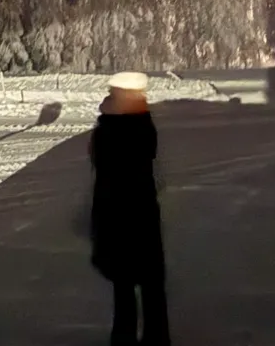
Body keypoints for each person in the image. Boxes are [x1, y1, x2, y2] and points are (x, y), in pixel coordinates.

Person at [89, 71, 170, 346]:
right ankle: (155, 339)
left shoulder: (114, 127)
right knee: (150, 285)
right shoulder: (142, 124)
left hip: (118, 213)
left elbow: (103, 165)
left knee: (124, 284)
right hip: (141, 212)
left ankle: (125, 339)